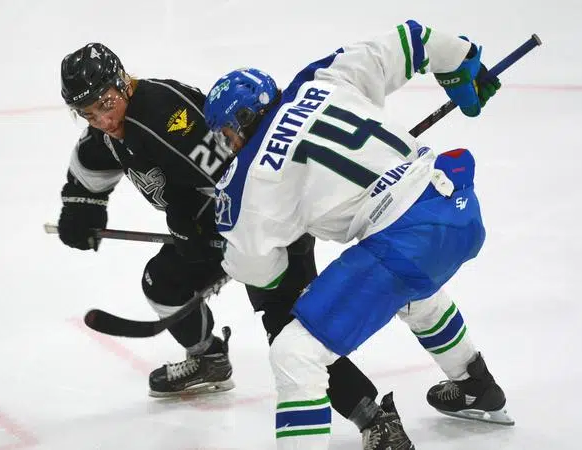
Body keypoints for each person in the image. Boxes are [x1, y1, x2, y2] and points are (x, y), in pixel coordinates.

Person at [55, 44, 410, 443]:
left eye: (105, 104)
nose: (102, 119)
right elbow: (90, 157)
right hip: (216, 229)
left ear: (122, 84)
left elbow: (238, 177)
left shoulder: (163, 115)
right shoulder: (111, 131)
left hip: (269, 221)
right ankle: (209, 358)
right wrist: (81, 205)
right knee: (163, 282)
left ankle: (376, 418)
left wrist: (198, 221)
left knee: (291, 331)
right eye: (88, 112)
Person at [204, 20, 513, 449]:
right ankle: (476, 385)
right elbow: (411, 39)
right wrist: (460, 62)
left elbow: (260, 270)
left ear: (240, 121)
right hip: (454, 204)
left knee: (294, 353)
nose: (229, 144)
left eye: (226, 133)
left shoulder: (252, 175)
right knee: (408, 287)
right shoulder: (320, 78)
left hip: (405, 240)